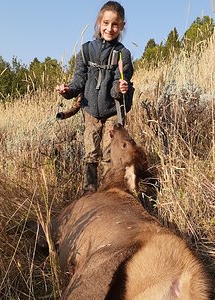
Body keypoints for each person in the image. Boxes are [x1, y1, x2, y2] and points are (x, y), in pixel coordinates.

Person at [56, 1, 134, 194]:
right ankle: (89, 193)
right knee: (90, 153)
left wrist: (121, 87)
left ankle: (109, 192)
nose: (110, 28)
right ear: (99, 22)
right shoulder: (85, 50)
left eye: (115, 24)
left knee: (109, 155)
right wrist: (67, 91)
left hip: (111, 113)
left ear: (122, 25)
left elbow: (119, 84)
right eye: (106, 23)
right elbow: (78, 82)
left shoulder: (123, 54)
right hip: (90, 112)